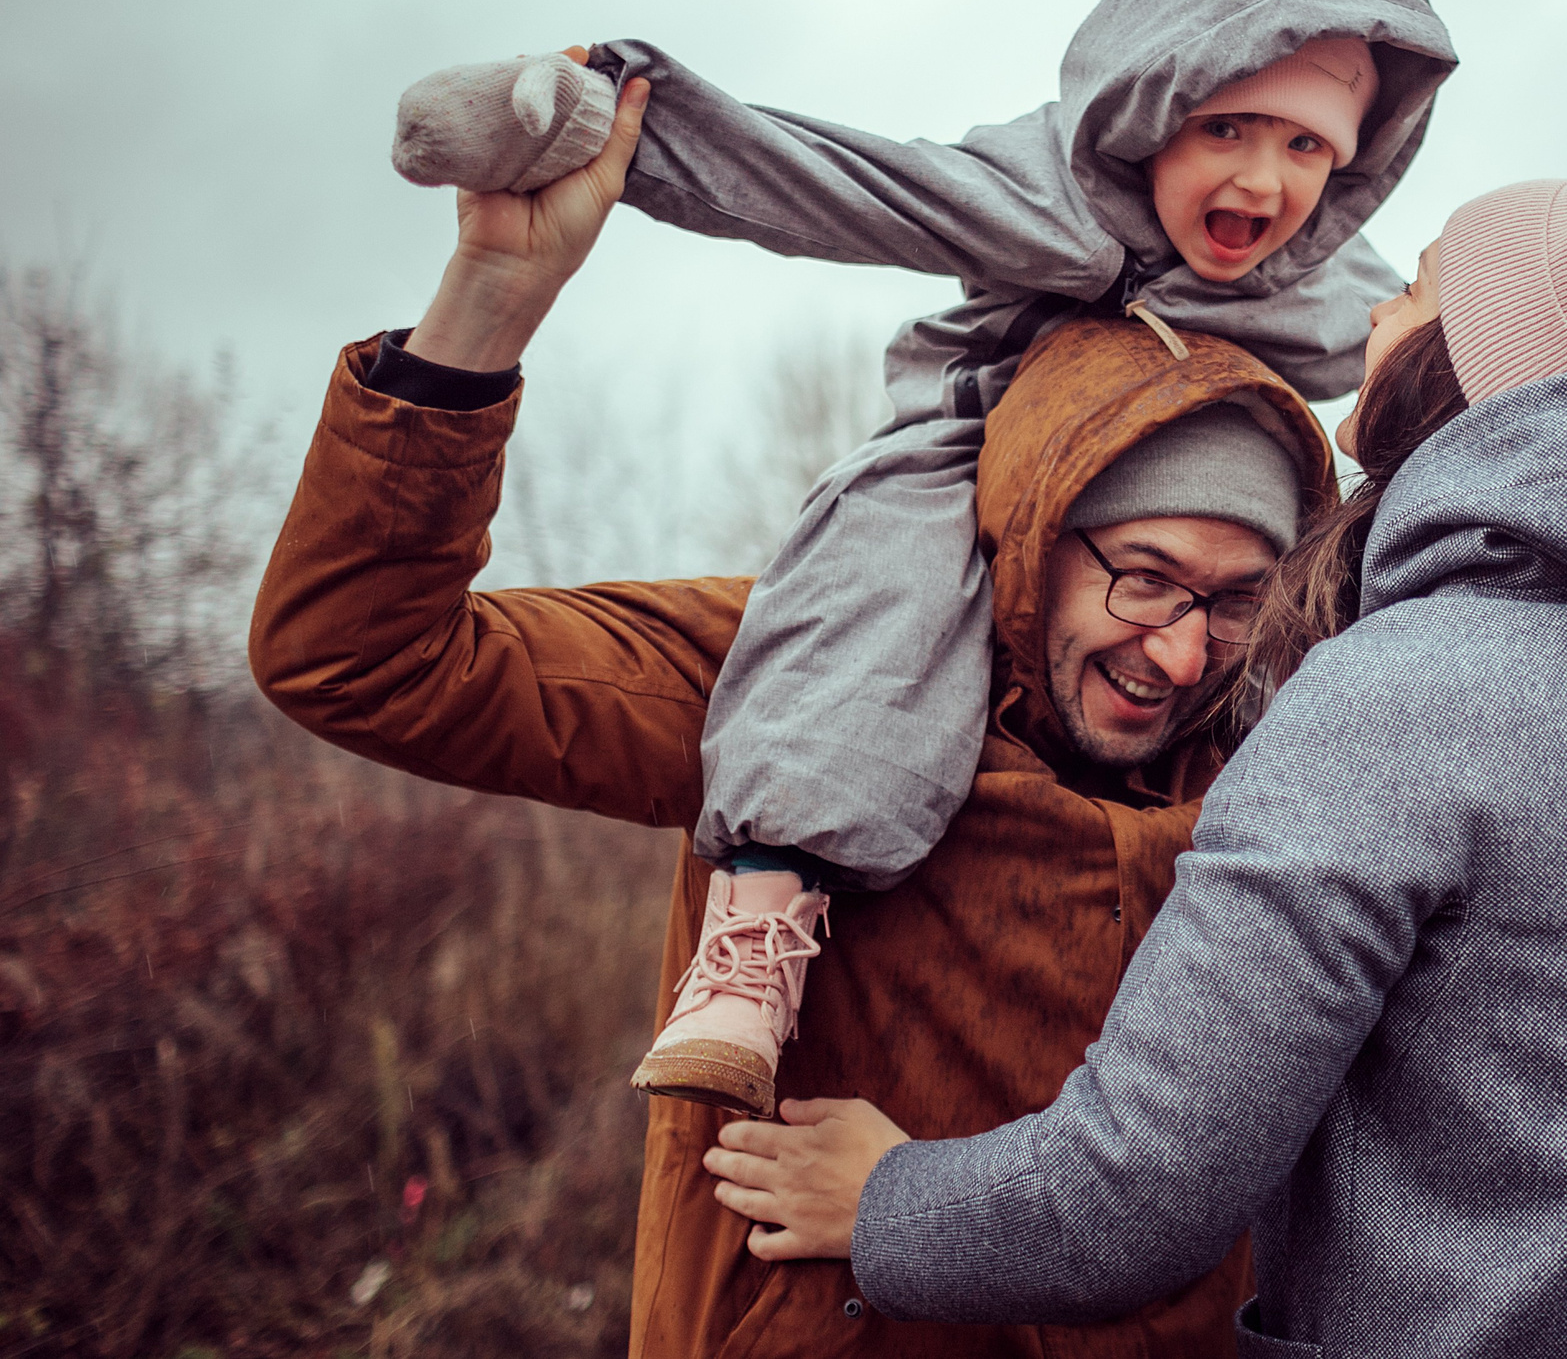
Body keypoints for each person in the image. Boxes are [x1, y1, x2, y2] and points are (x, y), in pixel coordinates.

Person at [386, 0, 1458, 1115]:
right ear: (1152, 110)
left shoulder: (1321, 286)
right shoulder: (1054, 201)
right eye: (1230, 127)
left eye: (1309, 148)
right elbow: (843, 185)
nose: (1267, 180)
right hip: (973, 452)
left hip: (1197, 467)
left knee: (1324, 586)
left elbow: (1457, 348)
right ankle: (760, 922)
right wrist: (600, 124)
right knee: (879, 572)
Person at [248, 76, 1332, 1356]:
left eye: (1236, 598)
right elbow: (359, 654)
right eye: (1143, 577)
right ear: (1035, 531)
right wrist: (491, 298)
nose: (1182, 648)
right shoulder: (801, 676)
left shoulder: (1293, 760)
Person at [703, 179, 1567, 1358]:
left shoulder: (1398, 700)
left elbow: (1132, 1193)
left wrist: (885, 1198)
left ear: (1482, 363)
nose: (1374, 317)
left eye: (1415, 290)